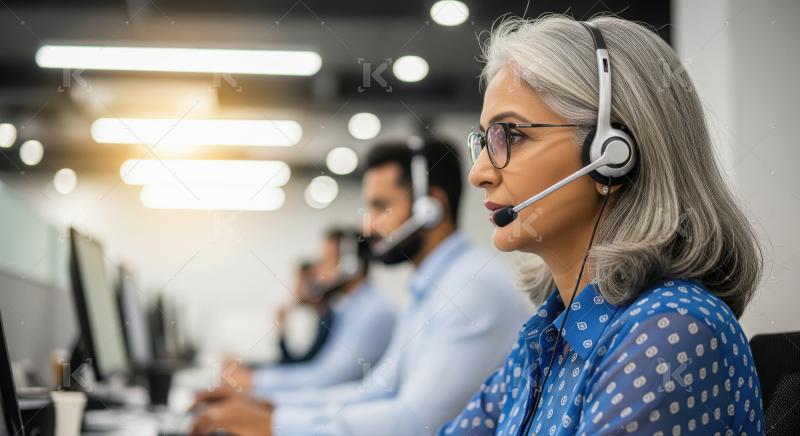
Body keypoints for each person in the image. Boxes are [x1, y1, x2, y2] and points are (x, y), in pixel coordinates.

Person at [439, 15, 764, 435]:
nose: (478, 173)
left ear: (612, 154)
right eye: (484, 141)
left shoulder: (672, 329)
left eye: (510, 136)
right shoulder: (548, 338)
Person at [190, 139, 531, 435]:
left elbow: (414, 424)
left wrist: (273, 424)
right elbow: (373, 392)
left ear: (431, 207)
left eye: (380, 207)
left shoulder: (472, 289)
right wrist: (270, 407)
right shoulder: (429, 288)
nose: (367, 226)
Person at [220, 228, 396, 396]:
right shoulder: (346, 308)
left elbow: (327, 379)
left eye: (327, 260)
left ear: (351, 265)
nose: (318, 270)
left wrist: (253, 380)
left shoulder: (374, 312)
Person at [276, 260, 332, 364]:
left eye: (300, 282)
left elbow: (298, 362)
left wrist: (282, 330)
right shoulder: (310, 314)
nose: (295, 288)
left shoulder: (322, 316)